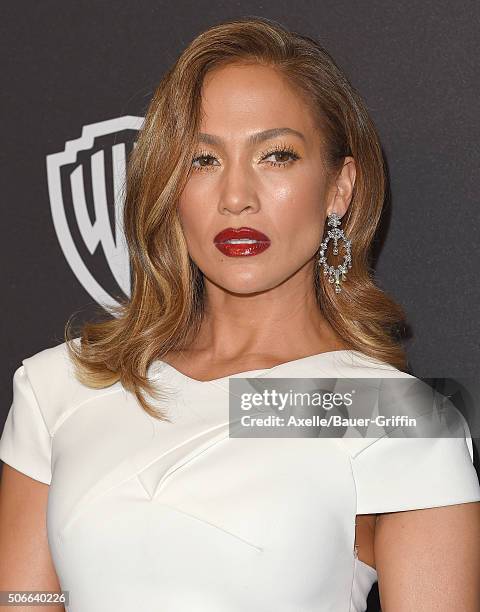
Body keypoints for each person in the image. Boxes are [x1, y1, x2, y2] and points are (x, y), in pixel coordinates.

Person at [1, 16, 479, 612]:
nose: (236, 197)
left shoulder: (389, 414)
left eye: (276, 156)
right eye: (203, 160)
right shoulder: (62, 387)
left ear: (340, 188)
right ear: (169, 186)